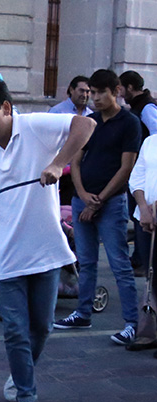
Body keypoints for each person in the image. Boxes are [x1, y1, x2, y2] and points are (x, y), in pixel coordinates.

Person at [0, 78, 95, 402]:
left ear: (5, 108)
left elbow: (86, 124)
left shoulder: (34, 126)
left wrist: (56, 163)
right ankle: (26, 396)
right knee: (15, 330)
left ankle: (20, 374)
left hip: (44, 249)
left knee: (42, 326)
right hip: (4, 252)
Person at [55, 69, 140, 346]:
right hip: (83, 199)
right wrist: (81, 194)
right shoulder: (89, 121)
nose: (95, 98)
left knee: (119, 264)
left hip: (111, 202)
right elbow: (75, 160)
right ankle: (83, 312)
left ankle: (131, 323)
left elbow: (126, 167)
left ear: (116, 91)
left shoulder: (129, 123)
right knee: (86, 262)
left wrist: (99, 199)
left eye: (101, 92)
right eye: (92, 93)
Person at [119, 70, 157, 273]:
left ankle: (141, 259)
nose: (120, 93)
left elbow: (154, 130)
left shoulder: (146, 108)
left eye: (122, 88)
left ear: (130, 88)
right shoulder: (138, 108)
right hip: (138, 171)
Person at [128, 132, 157, 356]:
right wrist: (144, 208)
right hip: (146, 219)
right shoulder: (151, 142)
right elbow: (136, 178)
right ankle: (150, 331)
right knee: (152, 276)